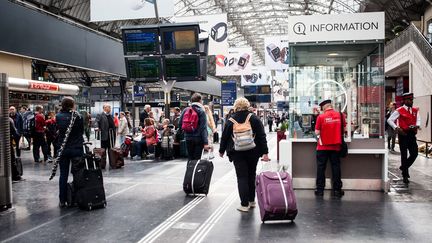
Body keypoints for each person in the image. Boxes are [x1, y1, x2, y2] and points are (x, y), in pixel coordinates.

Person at [219, 97, 269, 212]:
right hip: (253, 152)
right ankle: (252, 201)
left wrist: (221, 150)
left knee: (242, 177)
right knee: (251, 176)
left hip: (237, 152)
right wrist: (265, 152)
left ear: (236, 107)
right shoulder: (254, 118)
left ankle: (244, 204)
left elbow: (225, 137)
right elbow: (262, 136)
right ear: (247, 106)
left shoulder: (231, 120)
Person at [55, 97, 84, 207]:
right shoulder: (78, 116)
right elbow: (81, 131)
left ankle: (62, 200)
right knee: (78, 174)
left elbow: (57, 131)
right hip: (76, 148)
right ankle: (77, 198)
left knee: (63, 174)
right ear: (72, 105)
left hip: (63, 149)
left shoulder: (58, 117)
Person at [387, 93, 421, 184]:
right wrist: (397, 128)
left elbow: (418, 120)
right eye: (410, 100)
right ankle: (405, 175)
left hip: (412, 134)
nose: (412, 101)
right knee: (404, 154)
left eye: (412, 100)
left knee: (415, 153)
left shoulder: (415, 110)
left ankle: (403, 167)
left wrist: (417, 126)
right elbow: (389, 120)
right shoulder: (399, 110)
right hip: (403, 134)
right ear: (405, 101)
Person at [314, 99, 345, 197]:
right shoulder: (340, 115)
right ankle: (337, 190)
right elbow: (343, 130)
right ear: (331, 106)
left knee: (321, 168)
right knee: (336, 167)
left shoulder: (321, 116)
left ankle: (320, 190)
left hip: (322, 147)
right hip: (335, 147)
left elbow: (317, 132)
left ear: (324, 107)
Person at [178, 93, 210, 160]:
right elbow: (203, 128)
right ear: (200, 100)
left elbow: (180, 123)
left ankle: (189, 170)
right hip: (198, 139)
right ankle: (194, 170)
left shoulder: (185, 110)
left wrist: (185, 133)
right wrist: (206, 142)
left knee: (190, 157)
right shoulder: (201, 111)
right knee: (197, 159)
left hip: (188, 138)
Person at [9, 117, 22, 181]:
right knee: (12, 159)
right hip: (7, 143)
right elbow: (14, 132)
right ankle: (15, 176)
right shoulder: (8, 120)